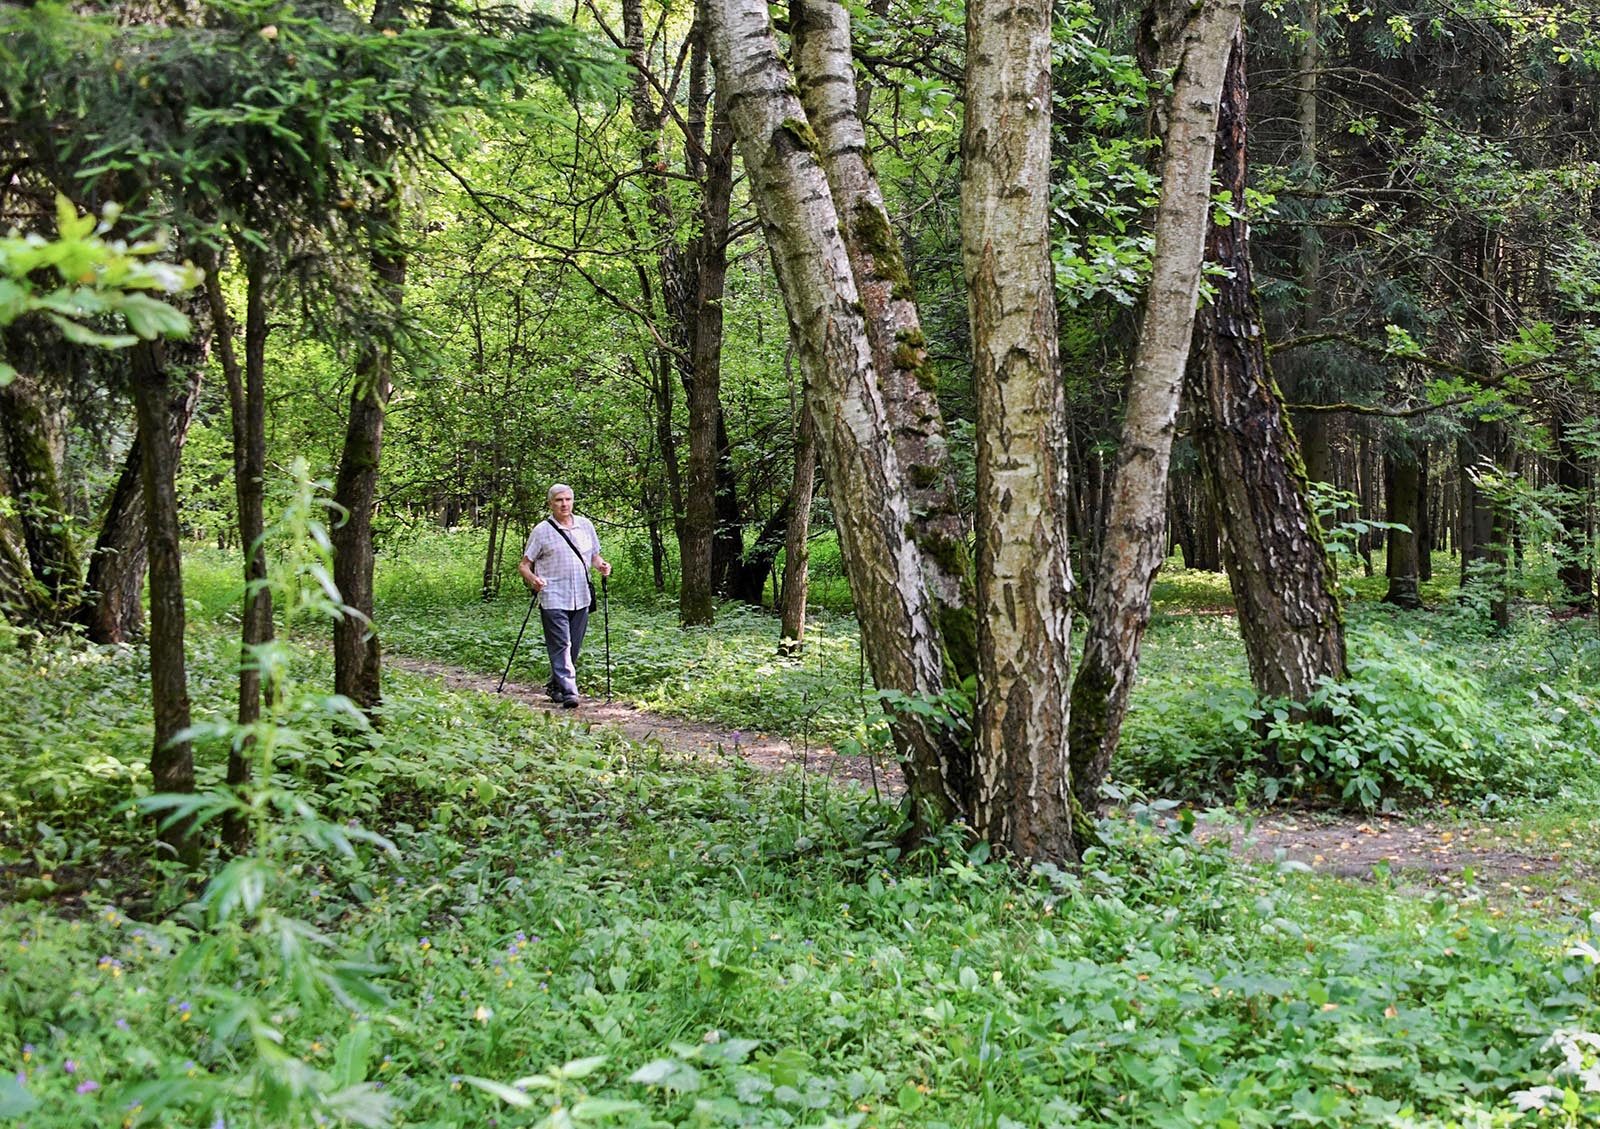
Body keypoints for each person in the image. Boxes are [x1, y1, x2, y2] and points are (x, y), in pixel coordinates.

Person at [519, 483, 611, 708]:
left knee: (574, 646)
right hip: (553, 595)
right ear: (550, 503)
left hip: (581, 595)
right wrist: (534, 580)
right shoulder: (542, 530)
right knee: (561, 644)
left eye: (568, 499)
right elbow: (524, 565)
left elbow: (594, 557)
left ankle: (555, 685)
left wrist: (602, 566)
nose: (564, 504)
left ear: (573, 501)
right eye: (559, 500)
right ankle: (570, 691)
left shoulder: (585, 526)